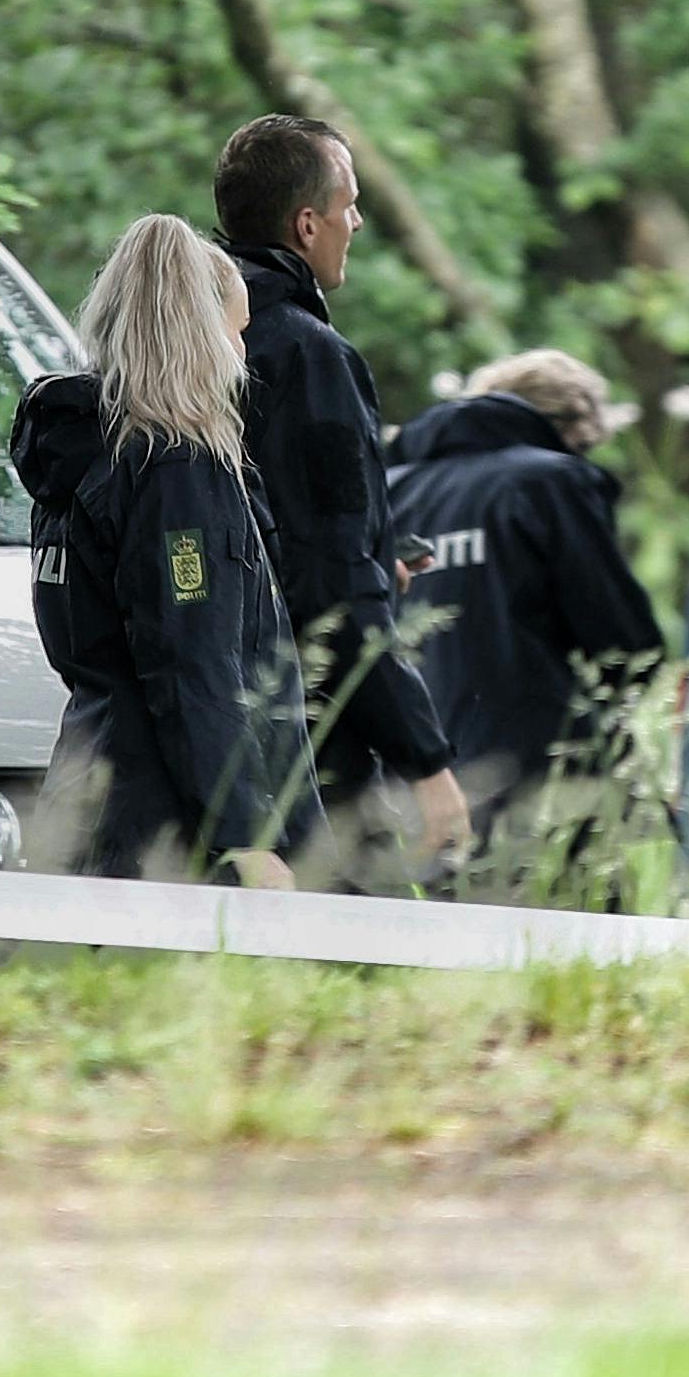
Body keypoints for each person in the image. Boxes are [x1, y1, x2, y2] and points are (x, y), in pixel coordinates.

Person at [6, 215, 320, 878]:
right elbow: (193, 661)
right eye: (237, 330)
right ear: (202, 334)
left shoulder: (82, 457)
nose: (245, 350)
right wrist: (246, 834)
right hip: (171, 832)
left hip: (89, 793)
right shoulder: (176, 468)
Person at [207, 114, 472, 871]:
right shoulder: (309, 355)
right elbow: (329, 581)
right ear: (306, 222)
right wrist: (427, 761)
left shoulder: (179, 341)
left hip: (204, 730)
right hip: (310, 739)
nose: (357, 220)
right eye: (349, 202)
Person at [387, 348, 669, 823]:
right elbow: (625, 641)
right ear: (577, 426)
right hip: (544, 777)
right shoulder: (551, 480)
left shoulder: (392, 486)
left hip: (418, 780)